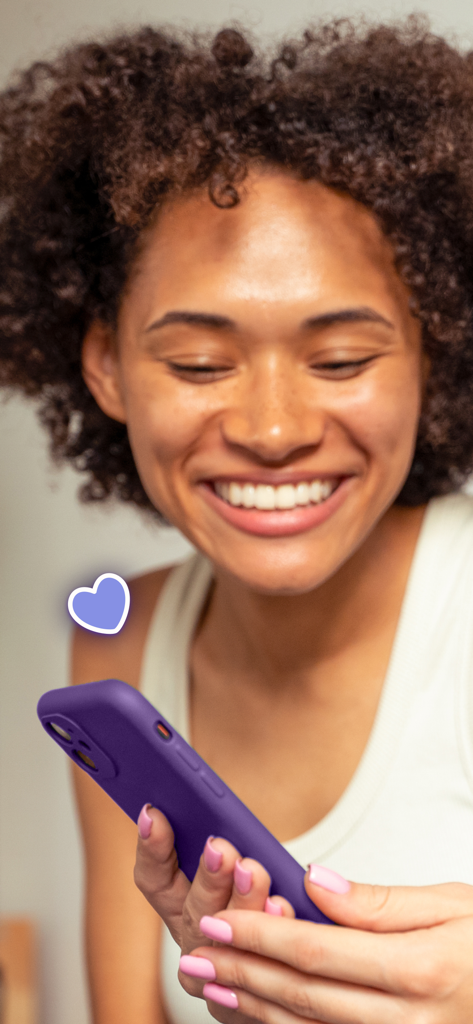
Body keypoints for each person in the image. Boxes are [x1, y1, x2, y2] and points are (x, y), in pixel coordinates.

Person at [1, 15, 473, 1023]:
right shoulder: (116, 644)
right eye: (199, 364)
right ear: (105, 367)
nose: (270, 428)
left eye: (340, 359)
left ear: (431, 353)